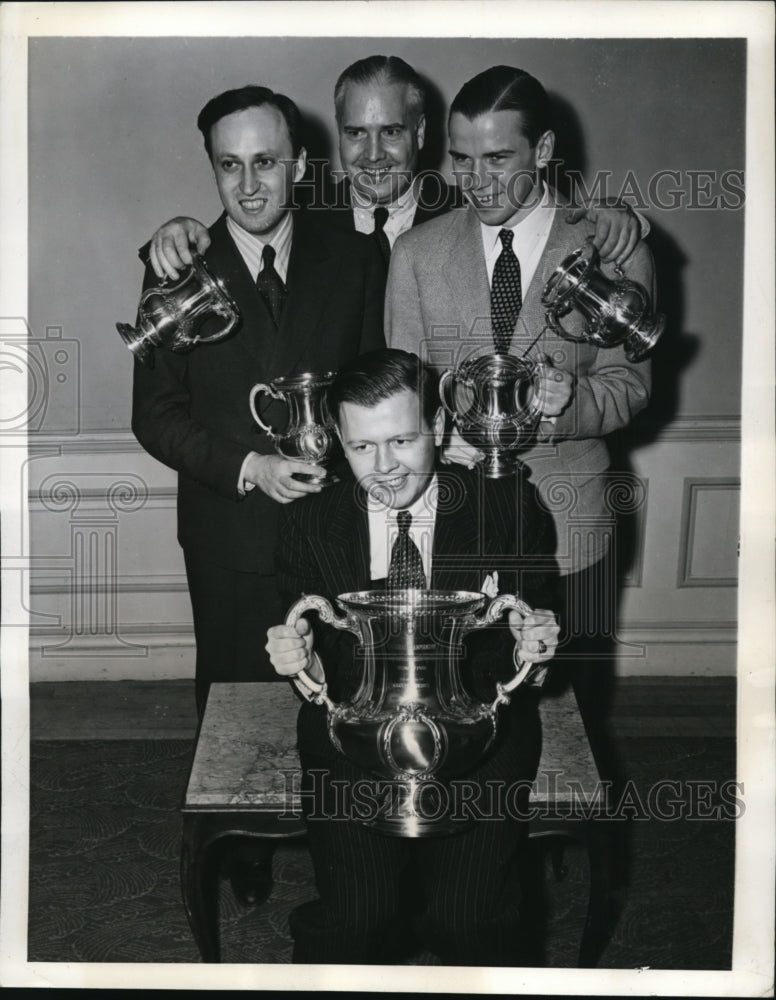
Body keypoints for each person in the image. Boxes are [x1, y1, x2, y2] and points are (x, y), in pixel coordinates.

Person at [130, 84, 384, 901]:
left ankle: (342, 845)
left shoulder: (355, 252)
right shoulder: (174, 263)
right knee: (236, 697)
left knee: (341, 690)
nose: (248, 185)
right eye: (229, 165)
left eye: (266, 163)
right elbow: (154, 416)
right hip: (230, 532)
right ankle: (240, 852)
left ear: (300, 164)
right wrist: (250, 468)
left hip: (337, 529)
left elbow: (381, 383)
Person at [385, 65, 658, 780]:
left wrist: (573, 401)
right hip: (463, 525)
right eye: (461, 158)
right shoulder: (416, 254)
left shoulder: (611, 245)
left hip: (574, 524)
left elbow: (631, 387)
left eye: (498, 158)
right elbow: (405, 398)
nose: (477, 179)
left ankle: (565, 864)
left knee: (571, 714)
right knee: (464, 712)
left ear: (542, 150)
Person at [265, 348, 560, 965]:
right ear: (339, 443)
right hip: (352, 736)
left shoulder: (505, 507)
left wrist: (536, 644)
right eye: (362, 447)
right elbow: (320, 664)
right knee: (356, 923)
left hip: (483, 734)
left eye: (402, 440)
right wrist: (302, 661)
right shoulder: (309, 522)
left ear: (441, 428)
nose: (385, 468)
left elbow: (534, 636)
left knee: (471, 922)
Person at [141, 56, 643, 281]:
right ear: (337, 134)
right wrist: (180, 229)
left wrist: (619, 215)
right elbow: (241, 219)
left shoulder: (466, 210)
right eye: (356, 132)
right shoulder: (301, 214)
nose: (373, 153)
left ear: (421, 135)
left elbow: (537, 215)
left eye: (392, 131)